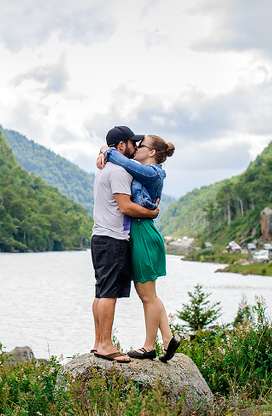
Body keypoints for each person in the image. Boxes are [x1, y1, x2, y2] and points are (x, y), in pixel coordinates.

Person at [97, 134, 181, 362]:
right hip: (139, 232)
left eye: (141, 146)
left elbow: (122, 161)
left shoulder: (153, 172)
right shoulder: (141, 170)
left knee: (146, 295)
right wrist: (103, 150)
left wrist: (107, 150)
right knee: (149, 294)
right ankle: (168, 338)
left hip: (143, 232)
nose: (136, 149)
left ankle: (148, 347)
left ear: (152, 152)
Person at [90, 126, 160, 364]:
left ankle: (99, 342)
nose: (136, 146)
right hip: (113, 239)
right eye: (132, 142)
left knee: (101, 291)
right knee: (109, 293)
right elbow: (126, 207)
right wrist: (152, 213)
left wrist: (103, 151)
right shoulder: (120, 172)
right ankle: (106, 346)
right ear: (121, 146)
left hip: (99, 237)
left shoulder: (103, 169)